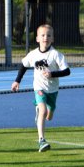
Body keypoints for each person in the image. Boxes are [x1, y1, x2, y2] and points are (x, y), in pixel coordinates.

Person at [11, 24, 70, 152]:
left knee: (49, 116)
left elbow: (67, 71)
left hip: (53, 90)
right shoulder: (33, 54)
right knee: (42, 111)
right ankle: (41, 140)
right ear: (37, 38)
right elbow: (24, 65)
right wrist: (17, 81)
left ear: (52, 38)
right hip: (39, 88)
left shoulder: (56, 55)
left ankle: (44, 112)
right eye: (42, 35)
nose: (45, 38)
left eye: (49, 35)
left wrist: (52, 74)